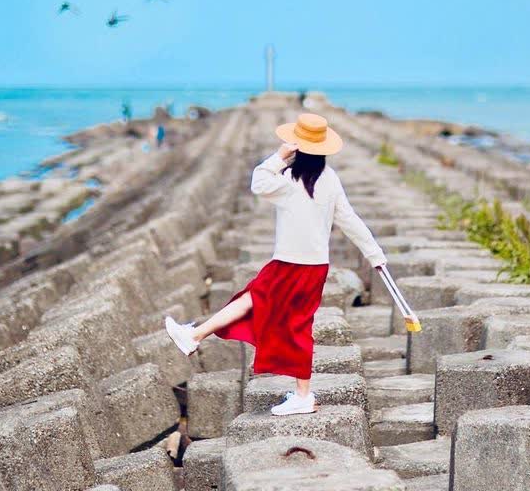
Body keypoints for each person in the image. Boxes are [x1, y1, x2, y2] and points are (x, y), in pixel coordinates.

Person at [165, 113, 388, 416]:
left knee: (287, 321)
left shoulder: (287, 179)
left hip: (290, 264)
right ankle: (195, 335)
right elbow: (350, 221)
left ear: (299, 146)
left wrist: (279, 155)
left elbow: (257, 181)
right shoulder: (329, 179)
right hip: (312, 267)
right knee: (254, 301)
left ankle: (303, 395)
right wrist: (374, 254)